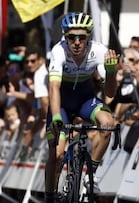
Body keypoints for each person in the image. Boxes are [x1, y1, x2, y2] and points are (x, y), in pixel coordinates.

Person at [44, 12, 119, 202]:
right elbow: (54, 87)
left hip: (85, 100)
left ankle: (90, 176)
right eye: (71, 37)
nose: (76, 42)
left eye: (82, 37)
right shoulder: (59, 50)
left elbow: (110, 93)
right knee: (57, 154)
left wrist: (111, 72)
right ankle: (50, 196)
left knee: (108, 122)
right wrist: (56, 117)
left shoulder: (99, 51)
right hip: (61, 103)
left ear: (88, 37)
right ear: (65, 37)